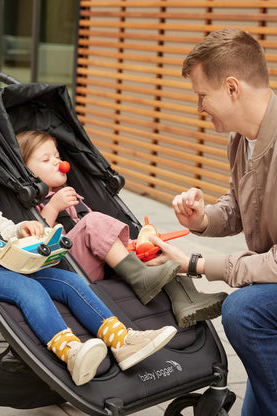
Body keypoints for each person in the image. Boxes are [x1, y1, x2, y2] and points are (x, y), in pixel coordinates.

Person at [0, 113, 177, 387]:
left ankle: (121, 340)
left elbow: (2, 228)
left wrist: (22, 229)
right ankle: (70, 352)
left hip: (9, 261)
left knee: (69, 280)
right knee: (31, 290)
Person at [145, 27, 277, 416]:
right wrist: (203, 218)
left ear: (232, 88)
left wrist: (195, 263)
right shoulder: (241, 139)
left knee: (245, 310)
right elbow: (241, 204)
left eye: (202, 96)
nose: (199, 108)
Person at [16, 130, 227, 328]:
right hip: (68, 267)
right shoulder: (36, 205)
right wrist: (53, 207)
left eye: (57, 156)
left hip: (97, 262)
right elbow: (40, 240)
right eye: (46, 160)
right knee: (92, 221)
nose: (57, 162)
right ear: (26, 171)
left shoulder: (72, 196)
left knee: (150, 246)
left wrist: (134, 245)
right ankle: (141, 278)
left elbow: (99, 237)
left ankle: (186, 298)